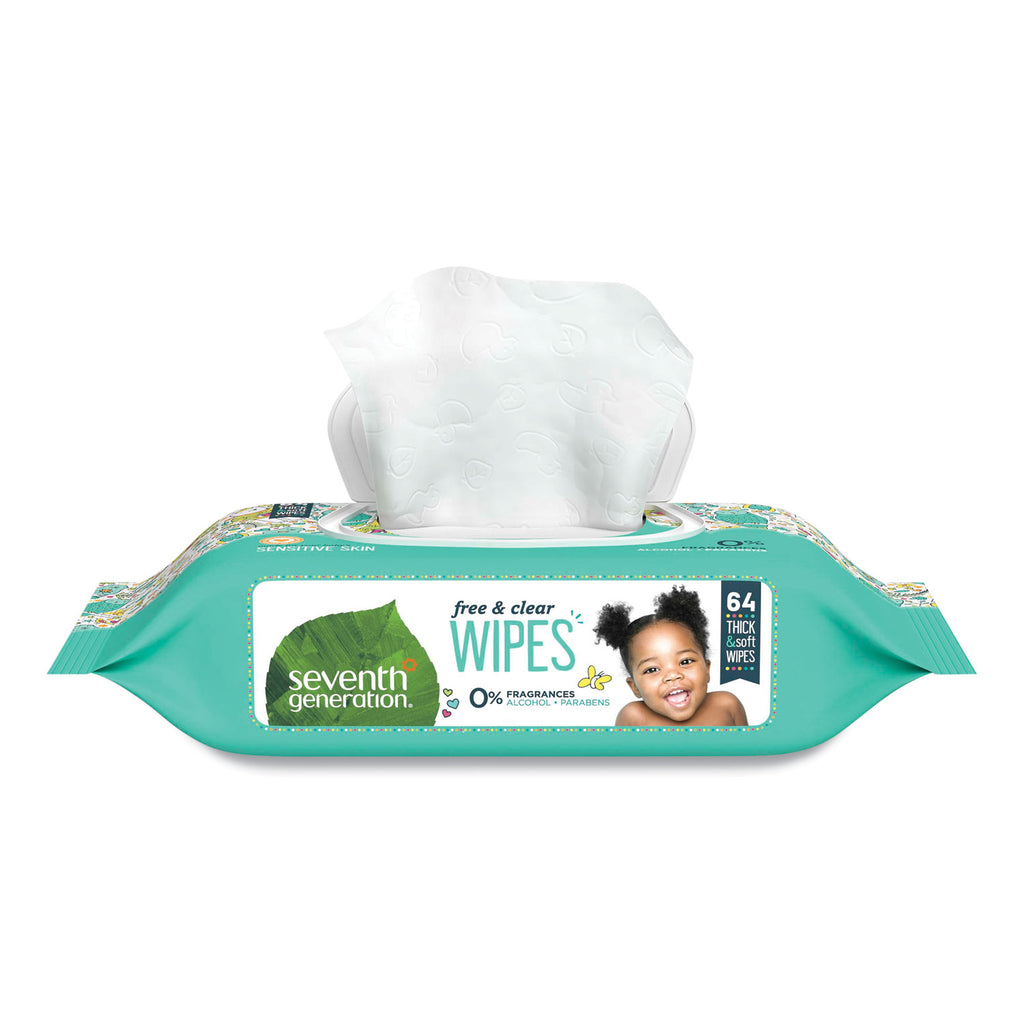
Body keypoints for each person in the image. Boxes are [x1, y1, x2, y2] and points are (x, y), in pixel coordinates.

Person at [594, 585, 747, 727]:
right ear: (634, 687)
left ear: (706, 669)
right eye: (652, 669)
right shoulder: (633, 717)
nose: (672, 675)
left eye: (685, 661)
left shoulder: (726, 705)